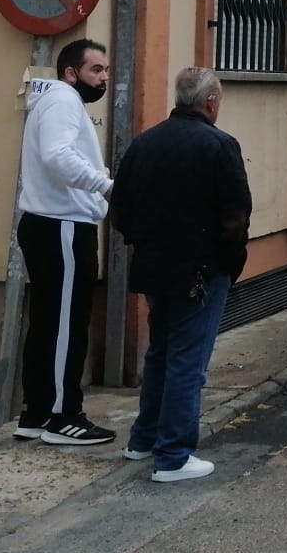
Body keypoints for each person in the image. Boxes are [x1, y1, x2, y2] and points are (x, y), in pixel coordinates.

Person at [112, 67, 253, 483]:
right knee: (188, 362)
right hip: (201, 270)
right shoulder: (220, 145)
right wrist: (229, 262)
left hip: (154, 266)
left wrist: (145, 242)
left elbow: (120, 210)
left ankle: (144, 440)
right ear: (211, 102)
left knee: (160, 354)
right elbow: (236, 216)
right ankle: (173, 456)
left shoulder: (144, 143)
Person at [14, 37, 118, 446]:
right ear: (71, 73)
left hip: (52, 225)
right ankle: (62, 416)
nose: (103, 78)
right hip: (62, 227)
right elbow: (57, 155)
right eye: (96, 70)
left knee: (48, 323)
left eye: (107, 71)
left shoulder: (59, 103)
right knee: (65, 326)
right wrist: (105, 187)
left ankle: (35, 414)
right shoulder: (62, 101)